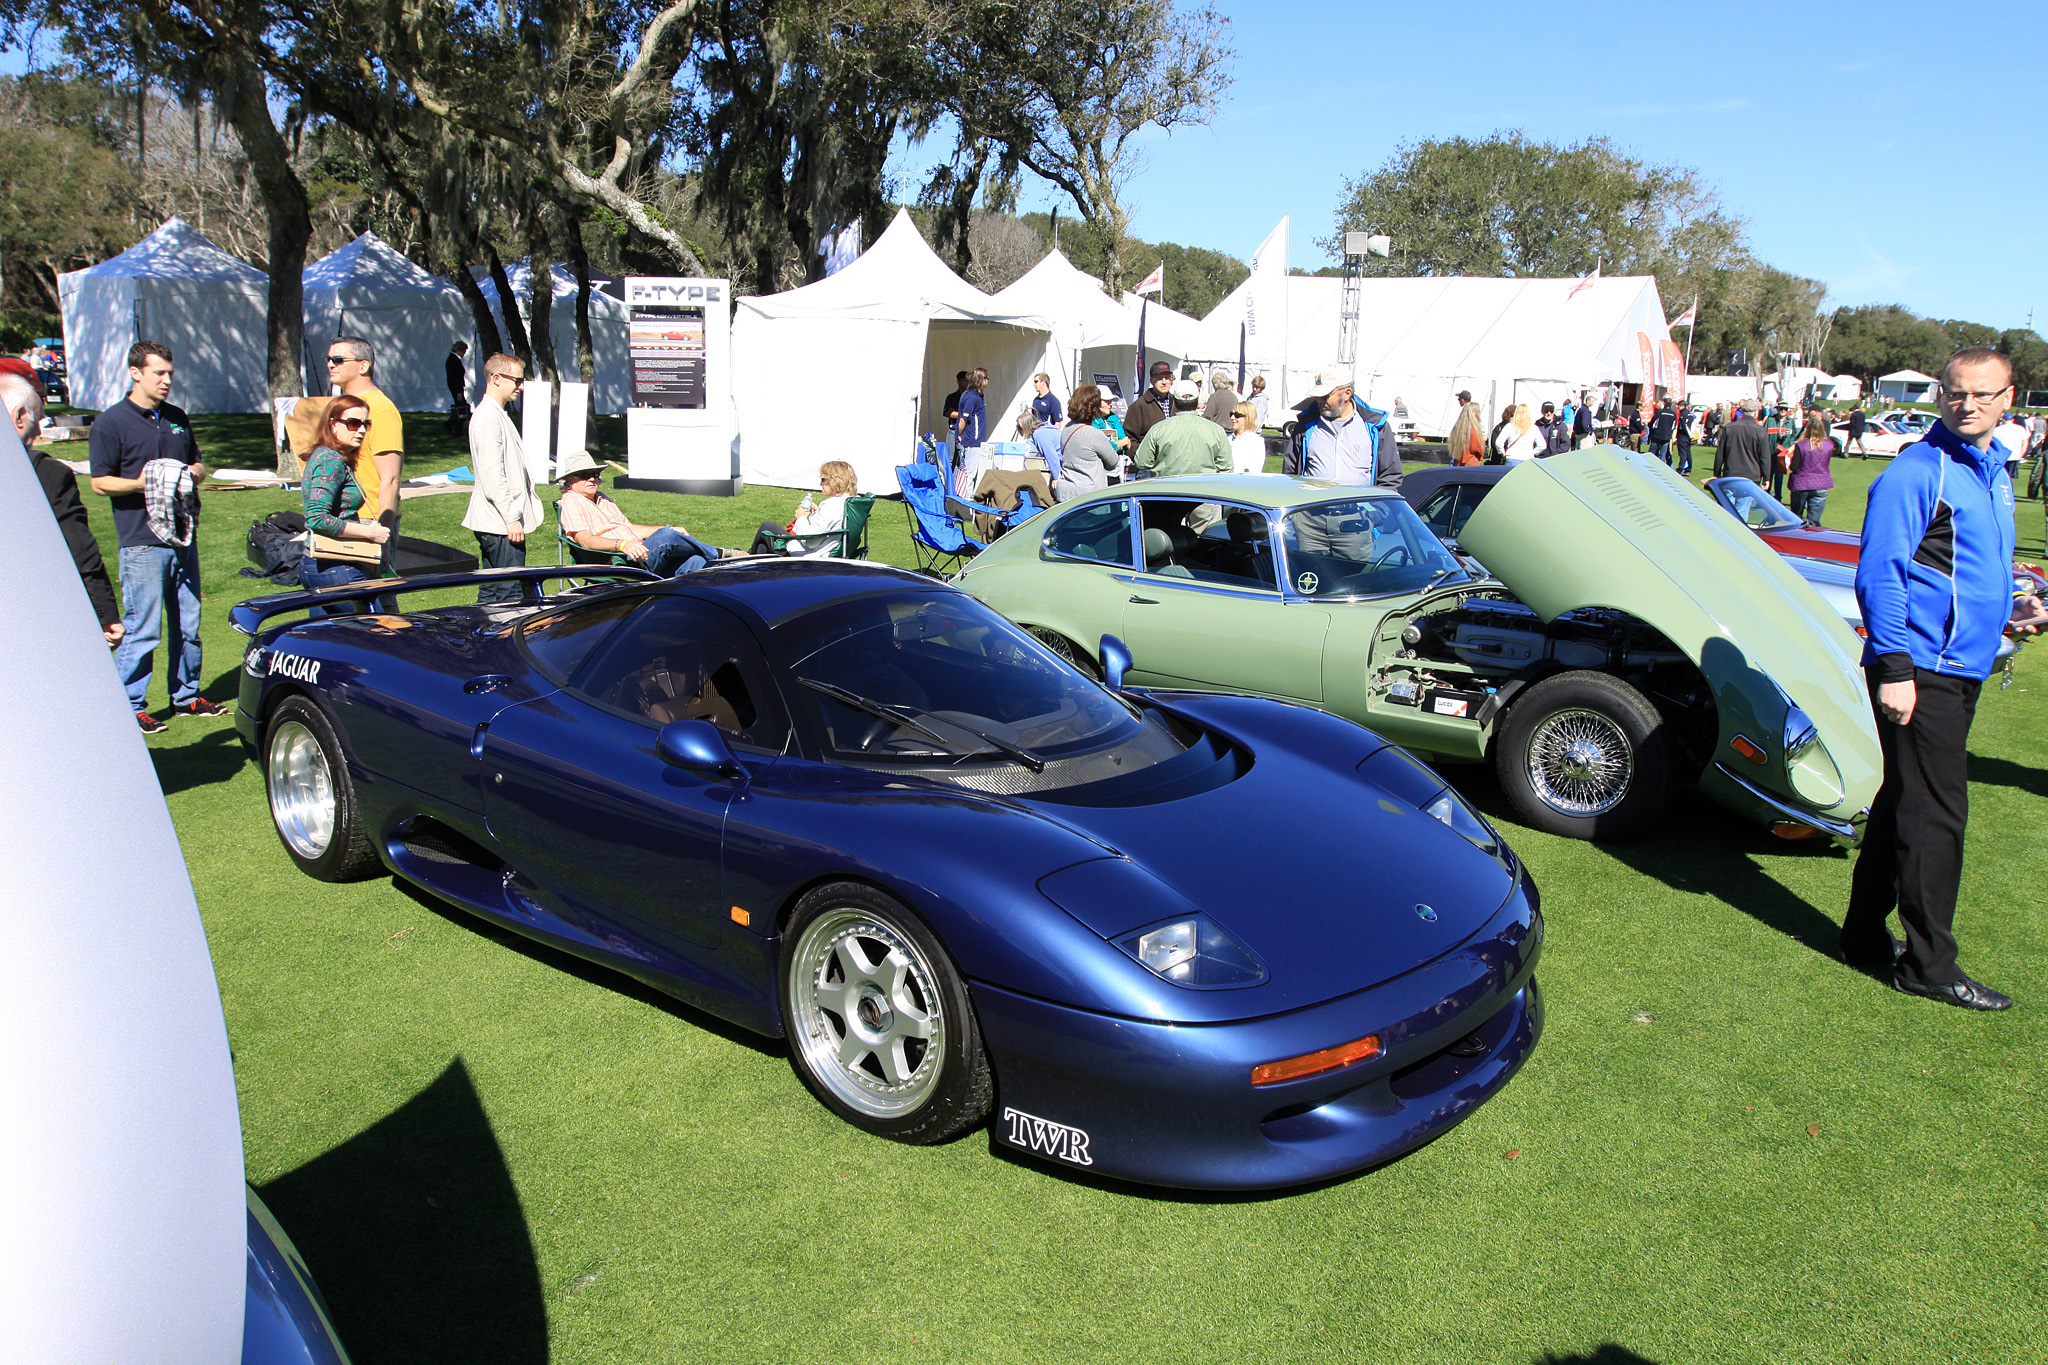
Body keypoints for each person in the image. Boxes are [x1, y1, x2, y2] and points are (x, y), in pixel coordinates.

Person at [1840, 347, 2045, 1011]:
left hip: (1959, 665)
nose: (1968, 404)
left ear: (2008, 397)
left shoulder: (1992, 469)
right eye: (1956, 393)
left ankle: (1863, 934)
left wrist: (2014, 608)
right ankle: (1929, 963)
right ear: (1942, 397)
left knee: (1905, 801)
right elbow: (1880, 575)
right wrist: (1896, 668)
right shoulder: (1917, 469)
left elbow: (1964, 570)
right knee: (1937, 816)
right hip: (1922, 670)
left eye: (1983, 394)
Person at [88, 342, 221, 732]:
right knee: (143, 628)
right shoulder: (111, 423)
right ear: (135, 373)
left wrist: (194, 473)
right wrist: (143, 483)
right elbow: (99, 482)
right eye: (159, 373)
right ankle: (129, 705)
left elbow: (197, 462)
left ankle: (186, 695)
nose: (166, 381)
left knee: (188, 624)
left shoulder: (177, 417)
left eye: (170, 374)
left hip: (183, 536)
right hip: (142, 541)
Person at [8, 374, 121, 644]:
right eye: (38, 420)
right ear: (20, 416)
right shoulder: (47, 473)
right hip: (35, 612)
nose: (38, 432)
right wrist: (105, 614)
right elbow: (80, 550)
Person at [462, 352, 544, 603]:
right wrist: (511, 517)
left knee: (491, 590)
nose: (521, 386)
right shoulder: (487, 416)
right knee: (510, 595)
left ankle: (481, 636)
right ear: (496, 378)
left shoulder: (496, 413)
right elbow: (492, 475)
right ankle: (502, 639)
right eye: (517, 380)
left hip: (497, 523)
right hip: (499, 523)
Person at [558, 452, 725, 573]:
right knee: (666, 537)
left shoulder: (602, 498)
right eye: (585, 475)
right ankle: (721, 554)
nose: (593, 479)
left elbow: (628, 528)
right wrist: (623, 545)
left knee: (695, 561)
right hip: (619, 561)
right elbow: (585, 540)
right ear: (570, 479)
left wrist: (668, 528)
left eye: (595, 474)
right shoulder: (571, 501)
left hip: (639, 552)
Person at [299, 395, 394, 602]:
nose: (360, 430)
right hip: (336, 568)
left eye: (365, 424)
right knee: (371, 632)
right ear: (333, 425)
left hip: (319, 566)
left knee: (327, 634)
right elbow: (316, 518)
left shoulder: (327, 455)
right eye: (353, 423)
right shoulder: (330, 461)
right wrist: (370, 533)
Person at [326, 336, 404, 566]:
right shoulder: (344, 406)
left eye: (338, 359)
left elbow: (390, 478)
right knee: (338, 593)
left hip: (368, 518)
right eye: (329, 359)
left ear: (363, 365)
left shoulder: (380, 410)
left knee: (376, 594)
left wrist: (382, 531)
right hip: (338, 516)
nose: (331, 364)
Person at [1301, 368, 1401, 489]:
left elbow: (1390, 477)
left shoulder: (1376, 426)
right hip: (1313, 506)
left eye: (1325, 396)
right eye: (1318, 396)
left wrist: (1374, 506)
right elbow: (1290, 476)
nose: (1319, 401)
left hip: (1359, 507)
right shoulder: (1304, 426)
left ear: (1347, 394)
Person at [754, 461, 858, 555]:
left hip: (809, 556)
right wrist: (818, 513)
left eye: (823, 480)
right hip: (824, 550)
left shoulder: (830, 506)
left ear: (835, 481)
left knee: (767, 526)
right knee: (763, 546)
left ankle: (747, 557)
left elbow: (811, 541)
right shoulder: (850, 502)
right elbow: (832, 524)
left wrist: (801, 517)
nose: (820, 483)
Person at [1133, 379, 1233, 478]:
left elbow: (1142, 462)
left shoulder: (1158, 429)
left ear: (1175, 403)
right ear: (1197, 401)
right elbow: (1226, 467)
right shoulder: (1216, 430)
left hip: (1166, 489)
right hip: (1204, 490)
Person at [1054, 384, 1122, 502]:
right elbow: (1113, 462)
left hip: (1065, 493)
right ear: (1094, 408)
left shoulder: (1067, 428)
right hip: (1088, 497)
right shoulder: (1094, 434)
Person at [1787, 413, 1838, 527]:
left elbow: (1794, 467)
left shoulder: (1801, 445)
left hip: (1802, 483)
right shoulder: (1829, 445)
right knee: (1814, 521)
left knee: (1796, 518)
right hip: (1821, 483)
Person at [1122, 361, 1177, 447]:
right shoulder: (1139, 406)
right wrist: (1144, 456)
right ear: (1151, 381)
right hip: (1150, 458)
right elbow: (1129, 438)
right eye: (1159, 378)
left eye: (1167, 378)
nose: (1164, 382)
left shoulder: (1176, 403)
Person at [955, 367, 988, 457]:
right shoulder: (971, 397)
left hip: (975, 441)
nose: (987, 380)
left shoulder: (975, 395)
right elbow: (963, 419)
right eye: (986, 378)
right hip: (972, 442)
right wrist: (960, 435)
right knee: (970, 470)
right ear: (980, 379)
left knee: (966, 469)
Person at [1765, 404, 1795, 501]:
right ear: (1777, 409)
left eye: (1785, 409)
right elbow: (1764, 434)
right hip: (1770, 453)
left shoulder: (1790, 421)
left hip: (1782, 454)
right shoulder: (1770, 420)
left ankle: (1778, 498)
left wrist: (1785, 446)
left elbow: (1794, 436)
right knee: (1767, 475)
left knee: (1779, 477)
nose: (1783, 410)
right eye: (1781, 409)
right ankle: (1765, 498)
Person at [1227, 402, 1266, 474]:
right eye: (1231, 414)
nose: (1232, 417)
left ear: (1248, 417)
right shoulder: (1227, 439)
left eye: (1237, 415)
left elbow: (1255, 470)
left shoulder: (1256, 441)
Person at [1445, 400, 1486, 466]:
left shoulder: (1458, 428)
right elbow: (1475, 448)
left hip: (1458, 461)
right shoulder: (1473, 429)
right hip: (1471, 462)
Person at [445, 340, 470, 430]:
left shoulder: (453, 359)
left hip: (456, 387)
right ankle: (454, 425)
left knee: (460, 406)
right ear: (459, 350)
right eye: (463, 351)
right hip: (456, 388)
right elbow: (455, 377)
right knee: (461, 407)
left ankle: (454, 424)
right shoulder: (453, 360)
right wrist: (459, 392)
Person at [1646, 400, 1678, 465]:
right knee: (1663, 454)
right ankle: (1661, 467)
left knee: (1652, 452)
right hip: (1667, 436)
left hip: (1657, 435)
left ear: (1664, 404)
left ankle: (1650, 464)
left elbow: (1653, 423)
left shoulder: (1659, 412)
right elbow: (1673, 426)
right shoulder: (1673, 414)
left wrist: (1652, 430)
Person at [1674, 405, 1696, 474]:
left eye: (1679, 406)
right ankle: (1688, 469)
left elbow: (1684, 426)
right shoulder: (1690, 414)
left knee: (1682, 453)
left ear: (1683, 406)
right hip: (1688, 437)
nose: (1678, 408)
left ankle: (1680, 469)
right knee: (1688, 453)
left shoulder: (1683, 414)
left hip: (1683, 436)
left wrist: (1689, 435)